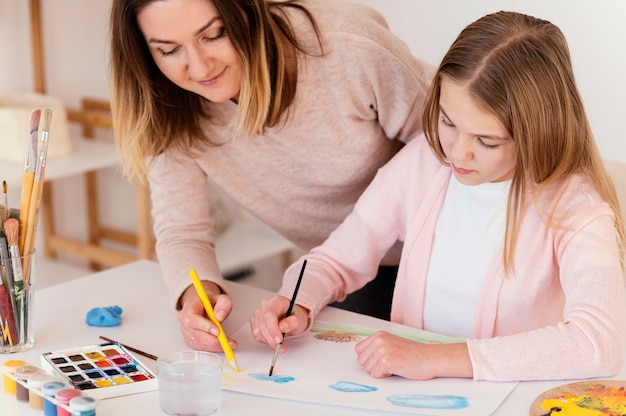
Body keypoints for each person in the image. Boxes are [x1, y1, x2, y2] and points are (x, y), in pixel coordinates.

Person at [250, 11, 626, 382]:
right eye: (448, 122)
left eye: (486, 141)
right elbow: (336, 259)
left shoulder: (575, 206)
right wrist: (297, 299)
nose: (456, 154)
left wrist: (437, 359)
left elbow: (599, 342)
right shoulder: (423, 163)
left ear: (536, 134)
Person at [108, 0, 435, 352]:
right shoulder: (170, 105)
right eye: (169, 50)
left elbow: (446, 149)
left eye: (215, 34)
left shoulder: (347, 46)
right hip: (339, 268)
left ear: (248, 11)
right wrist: (197, 296)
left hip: (445, 247)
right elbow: (182, 231)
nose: (201, 67)